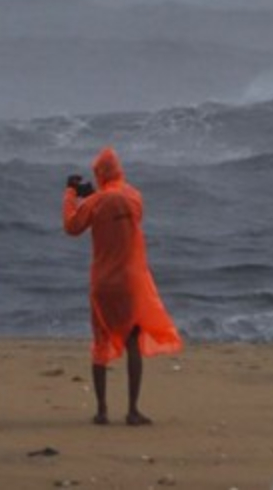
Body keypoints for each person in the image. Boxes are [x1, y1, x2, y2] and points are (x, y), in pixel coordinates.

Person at [63, 146, 182, 426]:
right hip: (130, 281)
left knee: (100, 344)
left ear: (100, 174)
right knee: (132, 342)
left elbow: (72, 226)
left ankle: (102, 410)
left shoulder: (96, 202)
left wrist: (71, 194)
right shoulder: (135, 198)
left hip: (103, 281)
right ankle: (132, 409)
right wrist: (96, 196)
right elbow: (120, 210)